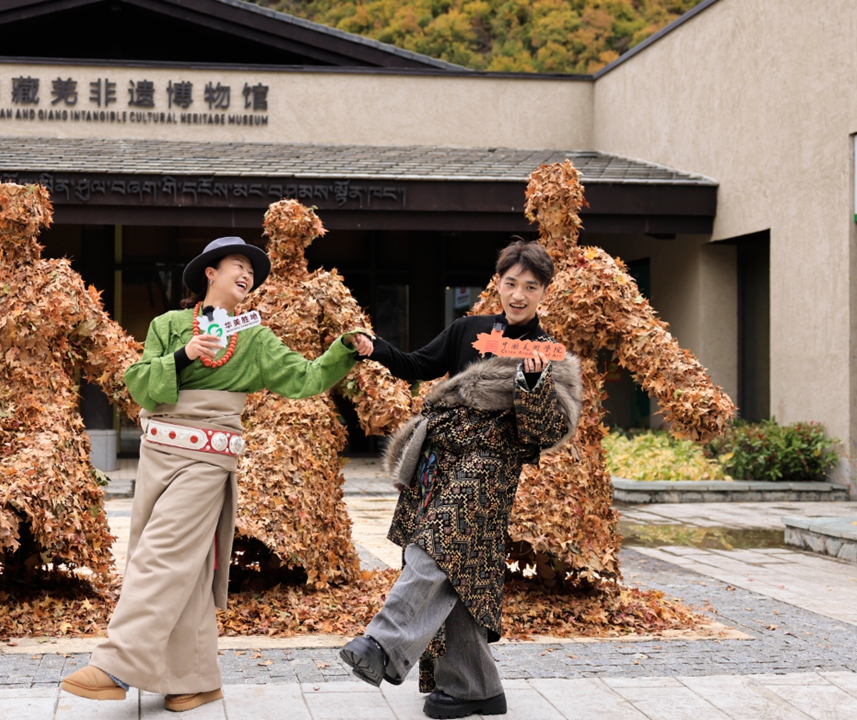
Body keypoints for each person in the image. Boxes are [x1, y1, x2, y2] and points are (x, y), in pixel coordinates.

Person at [61, 236, 374, 712]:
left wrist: (342, 350)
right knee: (178, 566)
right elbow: (140, 384)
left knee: (161, 554)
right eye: (237, 265)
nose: (247, 274)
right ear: (210, 271)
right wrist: (185, 354)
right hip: (157, 454)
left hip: (208, 458)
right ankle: (196, 679)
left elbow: (305, 378)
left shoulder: (257, 338)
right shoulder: (167, 325)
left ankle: (118, 663)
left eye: (252, 270)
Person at [340, 238, 583, 719]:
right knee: (460, 568)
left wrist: (532, 385)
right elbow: (418, 365)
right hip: (441, 461)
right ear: (498, 283)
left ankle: (381, 645)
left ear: (543, 293)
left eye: (530, 287)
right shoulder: (467, 329)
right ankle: (474, 688)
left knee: (435, 546)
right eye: (510, 283)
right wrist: (376, 348)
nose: (518, 295)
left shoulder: (548, 355)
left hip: (490, 468)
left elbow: (548, 433)